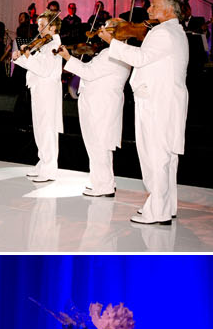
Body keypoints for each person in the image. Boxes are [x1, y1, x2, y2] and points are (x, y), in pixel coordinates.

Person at [98, 0, 189, 224]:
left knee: (155, 156)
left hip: (155, 102)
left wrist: (113, 42)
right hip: (168, 101)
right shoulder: (177, 32)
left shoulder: (162, 33)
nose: (148, 9)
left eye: (154, 5)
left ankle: (157, 211)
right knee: (167, 157)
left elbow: (140, 58)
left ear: (168, 9)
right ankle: (166, 206)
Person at [61, 37, 130, 196]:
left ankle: (103, 186)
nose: (102, 32)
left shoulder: (111, 53)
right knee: (101, 144)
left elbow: (89, 72)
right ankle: (103, 182)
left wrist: (68, 57)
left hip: (99, 104)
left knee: (98, 144)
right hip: (104, 103)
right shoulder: (122, 52)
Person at [13, 12, 63, 181]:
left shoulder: (55, 44)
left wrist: (28, 56)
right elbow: (34, 64)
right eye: (39, 25)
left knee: (47, 128)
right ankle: (43, 162)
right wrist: (19, 58)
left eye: (42, 25)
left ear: (53, 27)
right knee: (39, 127)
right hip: (39, 89)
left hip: (48, 90)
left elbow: (44, 69)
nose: (39, 29)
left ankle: (50, 168)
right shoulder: (44, 44)